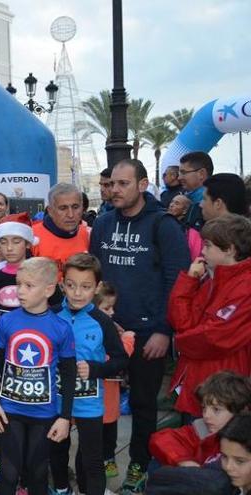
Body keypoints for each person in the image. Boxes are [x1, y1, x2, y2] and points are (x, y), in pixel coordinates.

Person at [89, 159, 191, 494]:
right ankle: (105, 456)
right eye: (111, 184)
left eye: (123, 184)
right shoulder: (103, 224)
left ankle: (138, 463)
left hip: (150, 333)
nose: (114, 190)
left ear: (143, 185)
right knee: (101, 400)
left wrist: (164, 329)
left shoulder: (163, 225)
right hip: (107, 331)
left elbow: (178, 280)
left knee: (144, 403)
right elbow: (95, 277)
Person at [0, 257, 76, 495]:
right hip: (9, 411)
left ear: (48, 289)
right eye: (19, 284)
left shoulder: (61, 328)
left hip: (44, 414)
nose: (20, 291)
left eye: (29, 285)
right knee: (8, 473)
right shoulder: (7, 321)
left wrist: (65, 416)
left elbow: (69, 374)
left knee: (37, 474)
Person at [50, 253, 129, 495]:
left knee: (92, 460)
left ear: (97, 287)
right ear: (62, 284)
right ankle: (62, 489)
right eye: (71, 285)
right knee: (56, 453)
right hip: (56, 401)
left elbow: (120, 360)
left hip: (89, 403)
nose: (76, 293)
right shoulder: (51, 314)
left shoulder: (101, 321)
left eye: (85, 287)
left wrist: (96, 369)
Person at [167, 214, 251, 418]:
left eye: (208, 245)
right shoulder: (212, 279)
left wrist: (179, 342)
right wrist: (189, 280)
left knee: (216, 444)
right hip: (199, 383)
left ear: (229, 249)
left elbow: (216, 337)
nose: (202, 251)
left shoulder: (244, 286)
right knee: (197, 440)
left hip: (223, 392)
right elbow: (181, 321)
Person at [150, 371, 251, 468]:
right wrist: (184, 461)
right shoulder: (201, 429)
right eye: (204, 408)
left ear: (239, 411)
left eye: (216, 410)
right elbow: (161, 439)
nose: (206, 415)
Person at [94, 282, 135, 479]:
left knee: (110, 428)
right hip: (99, 392)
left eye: (112, 308)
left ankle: (108, 458)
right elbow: (116, 358)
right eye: (106, 308)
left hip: (108, 391)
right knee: (99, 429)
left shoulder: (109, 326)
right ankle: (98, 460)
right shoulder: (100, 331)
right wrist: (127, 339)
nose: (111, 312)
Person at [32, 183, 89, 272]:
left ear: (82, 208)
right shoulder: (32, 237)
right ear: (50, 211)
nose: (70, 214)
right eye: (63, 208)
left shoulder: (87, 235)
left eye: (75, 207)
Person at [178, 151, 214, 230]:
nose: (179, 178)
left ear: (201, 173)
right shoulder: (183, 199)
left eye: (183, 172)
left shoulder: (212, 206)